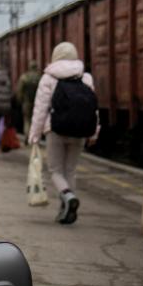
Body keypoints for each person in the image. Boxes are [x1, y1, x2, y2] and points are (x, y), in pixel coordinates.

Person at [28, 41, 99, 224]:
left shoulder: (49, 77)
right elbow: (93, 108)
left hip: (55, 130)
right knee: (70, 171)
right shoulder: (85, 77)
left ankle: (68, 198)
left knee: (55, 170)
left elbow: (40, 109)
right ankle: (65, 207)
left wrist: (34, 134)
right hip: (80, 131)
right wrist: (94, 132)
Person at [16, 60, 42, 138]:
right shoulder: (39, 77)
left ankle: (27, 135)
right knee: (36, 120)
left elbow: (19, 90)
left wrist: (20, 101)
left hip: (26, 102)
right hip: (37, 102)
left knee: (27, 120)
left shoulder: (24, 77)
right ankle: (35, 136)